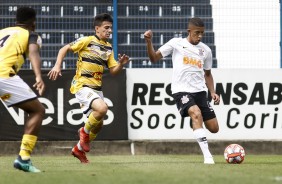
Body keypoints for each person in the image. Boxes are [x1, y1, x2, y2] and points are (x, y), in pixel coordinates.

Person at [48, 13, 130, 163]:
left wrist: (121, 64)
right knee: (103, 109)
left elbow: (113, 71)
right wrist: (57, 65)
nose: (109, 30)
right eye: (106, 28)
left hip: (96, 89)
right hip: (82, 85)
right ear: (97, 29)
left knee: (99, 125)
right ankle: (83, 132)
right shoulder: (87, 41)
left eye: (110, 28)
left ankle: (78, 149)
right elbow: (64, 49)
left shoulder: (108, 48)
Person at [144, 17, 220, 164]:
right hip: (181, 91)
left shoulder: (206, 50)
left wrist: (212, 92)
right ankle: (208, 156)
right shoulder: (176, 43)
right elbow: (153, 58)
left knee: (214, 128)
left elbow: (208, 74)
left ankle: (196, 124)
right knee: (195, 113)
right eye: (197, 33)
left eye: (202, 33)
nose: (200, 36)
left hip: (200, 92)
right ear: (189, 31)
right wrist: (148, 41)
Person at [0, 7, 45, 172]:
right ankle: (24, 157)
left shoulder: (3, 31)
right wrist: (38, 76)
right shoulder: (31, 35)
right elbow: (33, 53)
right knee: (38, 111)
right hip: (4, 76)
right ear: (33, 22)